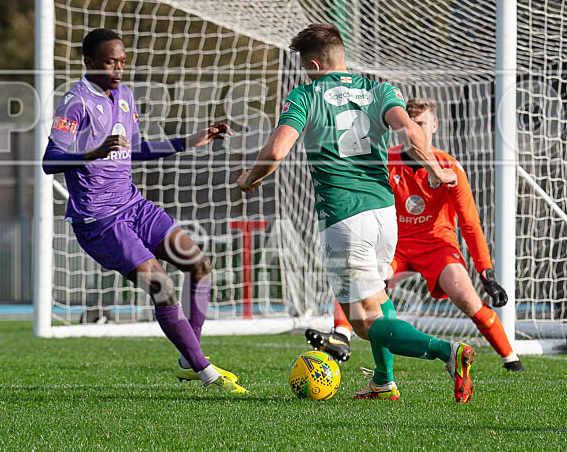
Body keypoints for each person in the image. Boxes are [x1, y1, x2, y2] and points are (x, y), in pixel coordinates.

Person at [237, 23, 475, 403]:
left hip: (345, 218)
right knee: (378, 300)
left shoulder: (305, 96)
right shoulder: (380, 90)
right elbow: (411, 133)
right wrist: (433, 168)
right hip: (384, 214)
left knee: (364, 323)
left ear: (313, 64)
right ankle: (383, 381)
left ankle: (447, 352)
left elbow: (276, 152)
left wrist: (249, 179)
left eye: (305, 68)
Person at [42, 28, 246, 394]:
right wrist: (92, 153)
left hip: (133, 205)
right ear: (89, 63)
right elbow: (49, 161)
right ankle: (206, 373)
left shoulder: (124, 96)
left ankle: (189, 358)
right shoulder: (75, 101)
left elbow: (136, 149)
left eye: (122, 62)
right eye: (110, 62)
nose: (119, 69)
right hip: (99, 220)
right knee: (161, 285)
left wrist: (190, 140)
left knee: (198, 264)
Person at [309, 98, 524, 371]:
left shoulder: (449, 168)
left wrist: (486, 273)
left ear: (434, 126)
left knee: (467, 298)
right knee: (362, 276)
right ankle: (341, 336)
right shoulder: (386, 161)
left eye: (421, 124)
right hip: (395, 246)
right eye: (410, 124)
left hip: (437, 245)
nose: (415, 131)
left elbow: (470, 224)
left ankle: (510, 359)